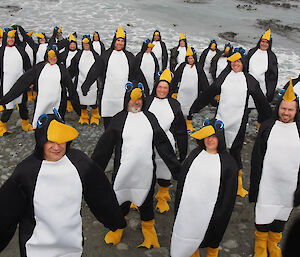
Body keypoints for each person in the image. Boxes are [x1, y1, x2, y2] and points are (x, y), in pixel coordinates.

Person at [0, 110, 126, 257]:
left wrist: (114, 219)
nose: (57, 147)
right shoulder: (26, 172)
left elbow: (100, 193)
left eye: (61, 141)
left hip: (71, 246)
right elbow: (6, 213)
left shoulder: (79, 162)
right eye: (51, 141)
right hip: (36, 248)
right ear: (41, 141)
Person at [91, 82, 181, 248]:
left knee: (146, 202)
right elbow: (104, 148)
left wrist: (177, 170)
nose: (136, 102)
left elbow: (163, 145)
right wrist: (92, 172)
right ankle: (117, 227)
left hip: (145, 172)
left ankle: (149, 230)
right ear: (127, 100)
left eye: (139, 99)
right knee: (120, 200)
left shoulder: (150, 118)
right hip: (123, 171)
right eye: (133, 100)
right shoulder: (118, 119)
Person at [188, 50, 273, 197]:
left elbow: (260, 100)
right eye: (233, 62)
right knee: (216, 147)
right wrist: (195, 108)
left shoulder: (249, 79)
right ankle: (214, 176)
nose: (236, 64)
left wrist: (269, 119)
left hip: (238, 121)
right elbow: (210, 92)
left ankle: (238, 183)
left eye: (239, 62)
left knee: (235, 150)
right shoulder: (224, 77)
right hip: (221, 119)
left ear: (243, 63)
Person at [171, 118, 238, 257]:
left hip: (213, 213)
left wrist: (220, 216)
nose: (210, 140)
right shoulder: (194, 155)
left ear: (220, 137)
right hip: (189, 211)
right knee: (189, 238)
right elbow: (182, 182)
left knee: (211, 240)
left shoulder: (228, 164)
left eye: (214, 136)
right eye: (207, 136)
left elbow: (228, 197)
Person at [249, 80, 300, 257]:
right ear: (278, 108)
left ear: (296, 111)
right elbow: (256, 159)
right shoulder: (268, 127)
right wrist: (254, 187)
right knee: (263, 218)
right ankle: (261, 247)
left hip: (288, 187)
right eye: (283, 108)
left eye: (290, 109)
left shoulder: (299, 130)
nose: (286, 113)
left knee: (281, 218)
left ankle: (273, 243)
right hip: (267, 185)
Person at [0, 45, 80, 128]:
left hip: (59, 103)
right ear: (46, 56)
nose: (52, 59)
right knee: (41, 125)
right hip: (41, 102)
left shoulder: (62, 69)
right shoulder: (39, 67)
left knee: (57, 126)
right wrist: (6, 99)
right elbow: (22, 83)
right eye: (50, 56)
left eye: (55, 56)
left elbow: (71, 89)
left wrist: (78, 108)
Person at [144, 69, 188, 213]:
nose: (162, 90)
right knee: (144, 166)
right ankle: (142, 195)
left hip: (167, 140)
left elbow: (181, 130)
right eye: (160, 87)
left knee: (164, 166)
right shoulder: (147, 101)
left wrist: (182, 152)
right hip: (146, 140)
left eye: (165, 88)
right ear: (155, 87)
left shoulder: (174, 104)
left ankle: (163, 194)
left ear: (169, 90)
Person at [81, 26, 139, 129]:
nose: (120, 43)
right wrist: (86, 85)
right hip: (108, 96)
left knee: (123, 122)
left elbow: (136, 75)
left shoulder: (130, 57)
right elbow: (94, 71)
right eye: (118, 40)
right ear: (114, 41)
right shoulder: (106, 56)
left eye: (122, 41)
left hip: (123, 97)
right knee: (108, 124)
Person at [0, 28, 32, 136]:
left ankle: (25, 123)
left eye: (12, 37)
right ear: (5, 38)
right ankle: (1, 127)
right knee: (8, 106)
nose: (11, 40)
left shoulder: (20, 50)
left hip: (20, 82)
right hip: (6, 83)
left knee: (23, 103)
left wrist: (30, 80)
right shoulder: (1, 51)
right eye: (9, 37)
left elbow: (28, 66)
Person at [68, 35, 101, 125]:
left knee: (94, 99)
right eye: (84, 44)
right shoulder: (78, 55)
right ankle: (84, 116)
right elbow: (72, 68)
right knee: (81, 99)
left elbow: (100, 68)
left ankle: (95, 115)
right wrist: (66, 77)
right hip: (80, 80)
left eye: (87, 43)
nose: (86, 45)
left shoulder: (95, 55)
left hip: (93, 82)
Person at [171, 45, 208, 124]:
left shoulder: (198, 67)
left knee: (192, 106)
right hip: (183, 91)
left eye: (192, 58)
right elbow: (176, 78)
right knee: (181, 104)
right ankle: (179, 118)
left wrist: (206, 91)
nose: (190, 60)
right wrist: (172, 89)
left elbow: (203, 79)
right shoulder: (183, 66)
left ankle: (189, 119)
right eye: (189, 58)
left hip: (193, 92)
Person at [247, 29, 278, 109]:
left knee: (259, 106)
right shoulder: (252, 52)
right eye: (262, 41)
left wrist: (270, 92)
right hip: (248, 83)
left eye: (266, 42)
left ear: (269, 44)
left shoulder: (272, 57)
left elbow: (273, 76)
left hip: (262, 86)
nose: (264, 44)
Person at [60, 33, 79, 112]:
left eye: (74, 45)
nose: (72, 46)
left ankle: (77, 104)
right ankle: (68, 104)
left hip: (77, 74)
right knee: (67, 89)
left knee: (76, 89)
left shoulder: (80, 52)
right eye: (71, 45)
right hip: (67, 74)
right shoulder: (65, 53)